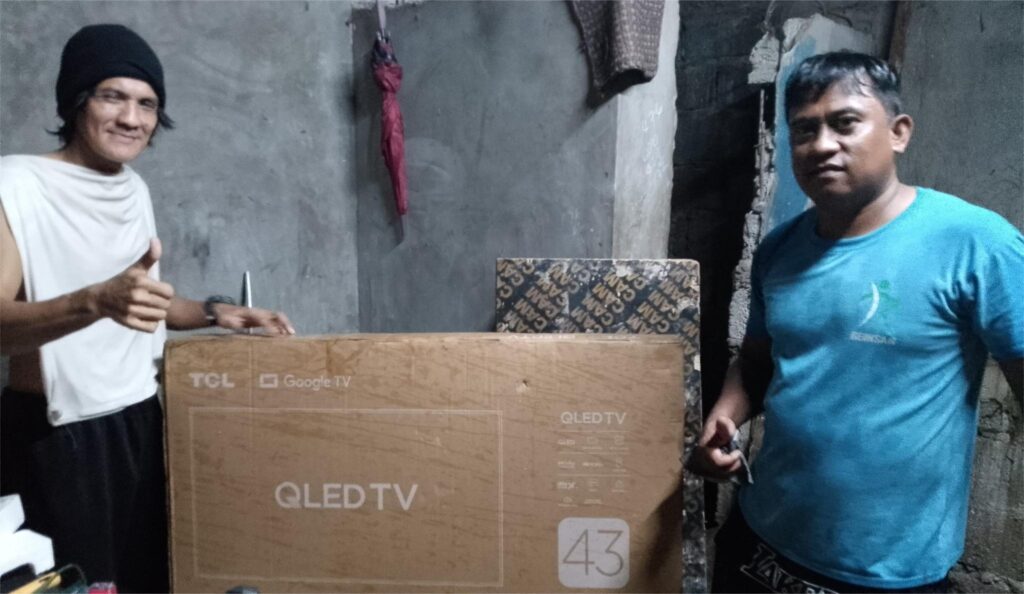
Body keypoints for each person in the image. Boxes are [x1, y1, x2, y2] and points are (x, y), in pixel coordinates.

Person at [692, 51, 1023, 593]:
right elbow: (755, 362)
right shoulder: (779, 250)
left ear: (898, 132)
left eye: (845, 123)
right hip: (758, 544)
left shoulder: (976, 244)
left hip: (885, 573)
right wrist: (724, 418)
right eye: (804, 130)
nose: (822, 145)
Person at [0, 24, 295, 592]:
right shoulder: (16, 183)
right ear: (76, 102)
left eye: (147, 104)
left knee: (144, 580)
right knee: (78, 585)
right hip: (58, 438)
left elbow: (139, 303)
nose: (131, 119)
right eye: (112, 96)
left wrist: (215, 312)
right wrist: (92, 300)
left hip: (138, 418)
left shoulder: (133, 187)